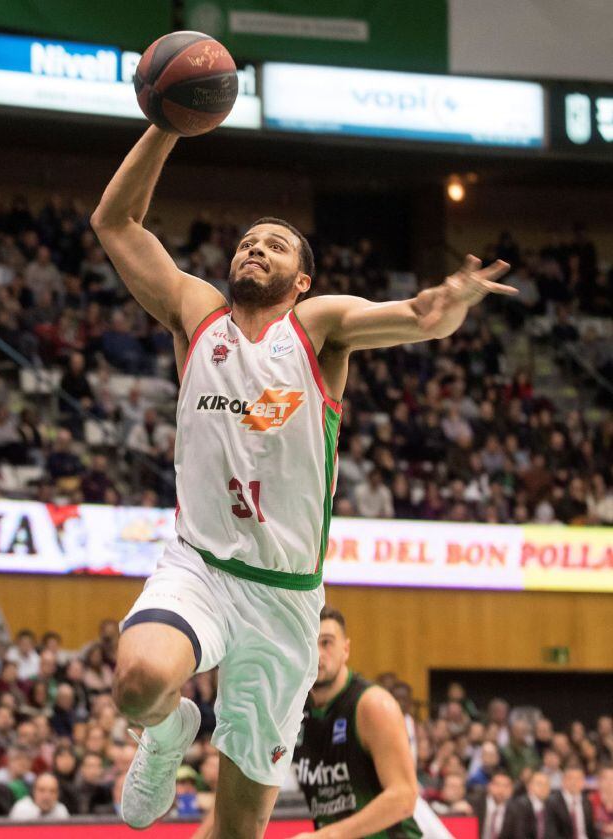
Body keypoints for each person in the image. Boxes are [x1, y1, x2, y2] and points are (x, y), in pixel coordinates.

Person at [92, 120, 514, 837]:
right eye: (248, 241)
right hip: (200, 565)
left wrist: (447, 303)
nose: (256, 248)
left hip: (286, 602)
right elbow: (115, 221)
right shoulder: (197, 314)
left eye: (276, 244)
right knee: (139, 684)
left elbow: (416, 316)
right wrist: (167, 124)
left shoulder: (315, 327)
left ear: (303, 277)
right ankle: (167, 736)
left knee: (236, 831)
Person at [195, 607, 420, 839]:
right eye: (311, 643)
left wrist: (326, 836)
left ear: (346, 649)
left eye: (327, 643)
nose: (318, 653)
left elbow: (404, 797)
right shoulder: (291, 709)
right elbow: (240, 789)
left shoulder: (373, 706)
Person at [502, 771, 570, 839]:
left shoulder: (552, 806)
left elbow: (556, 832)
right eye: (540, 784)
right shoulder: (518, 806)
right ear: (529, 786)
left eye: (547, 784)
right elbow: (519, 834)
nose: (544, 787)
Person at [548, 763, 599, 839]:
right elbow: (551, 833)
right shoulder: (552, 802)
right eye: (571, 778)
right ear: (563, 781)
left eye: (579, 778)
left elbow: (591, 831)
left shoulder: (587, 802)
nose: (575, 782)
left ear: (583, 782)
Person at [469, 769, 514, 839]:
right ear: (489, 786)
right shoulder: (474, 805)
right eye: (497, 785)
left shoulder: (515, 811)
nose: (501, 790)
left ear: (511, 790)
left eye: (506, 786)